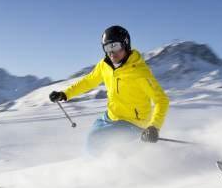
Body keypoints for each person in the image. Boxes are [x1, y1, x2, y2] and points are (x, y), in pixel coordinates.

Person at [48, 25, 170, 154]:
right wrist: (65, 94)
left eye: (115, 46)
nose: (111, 52)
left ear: (125, 44)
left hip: (133, 123)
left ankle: (104, 165)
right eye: (107, 47)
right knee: (94, 137)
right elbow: (89, 81)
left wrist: (154, 127)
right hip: (111, 116)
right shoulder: (105, 65)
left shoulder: (139, 72)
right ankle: (103, 161)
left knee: (95, 138)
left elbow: (161, 100)